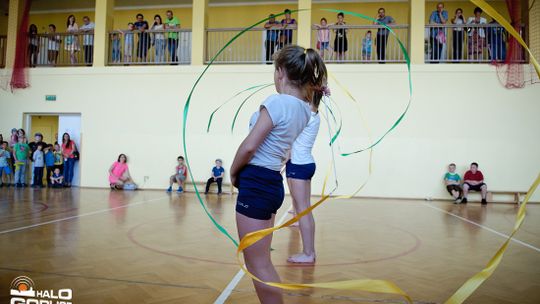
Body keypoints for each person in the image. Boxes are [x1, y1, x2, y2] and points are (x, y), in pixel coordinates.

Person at [230, 45, 326, 303]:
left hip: (257, 181)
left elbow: (250, 145)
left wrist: (233, 171)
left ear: (281, 71)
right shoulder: (305, 109)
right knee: (261, 262)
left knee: (258, 264)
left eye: (275, 70)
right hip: (271, 182)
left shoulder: (276, 102)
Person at [286, 82, 327, 264]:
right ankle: (307, 249)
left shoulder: (305, 116)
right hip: (303, 163)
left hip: (299, 165)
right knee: (302, 207)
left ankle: (309, 253)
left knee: (304, 210)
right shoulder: (313, 114)